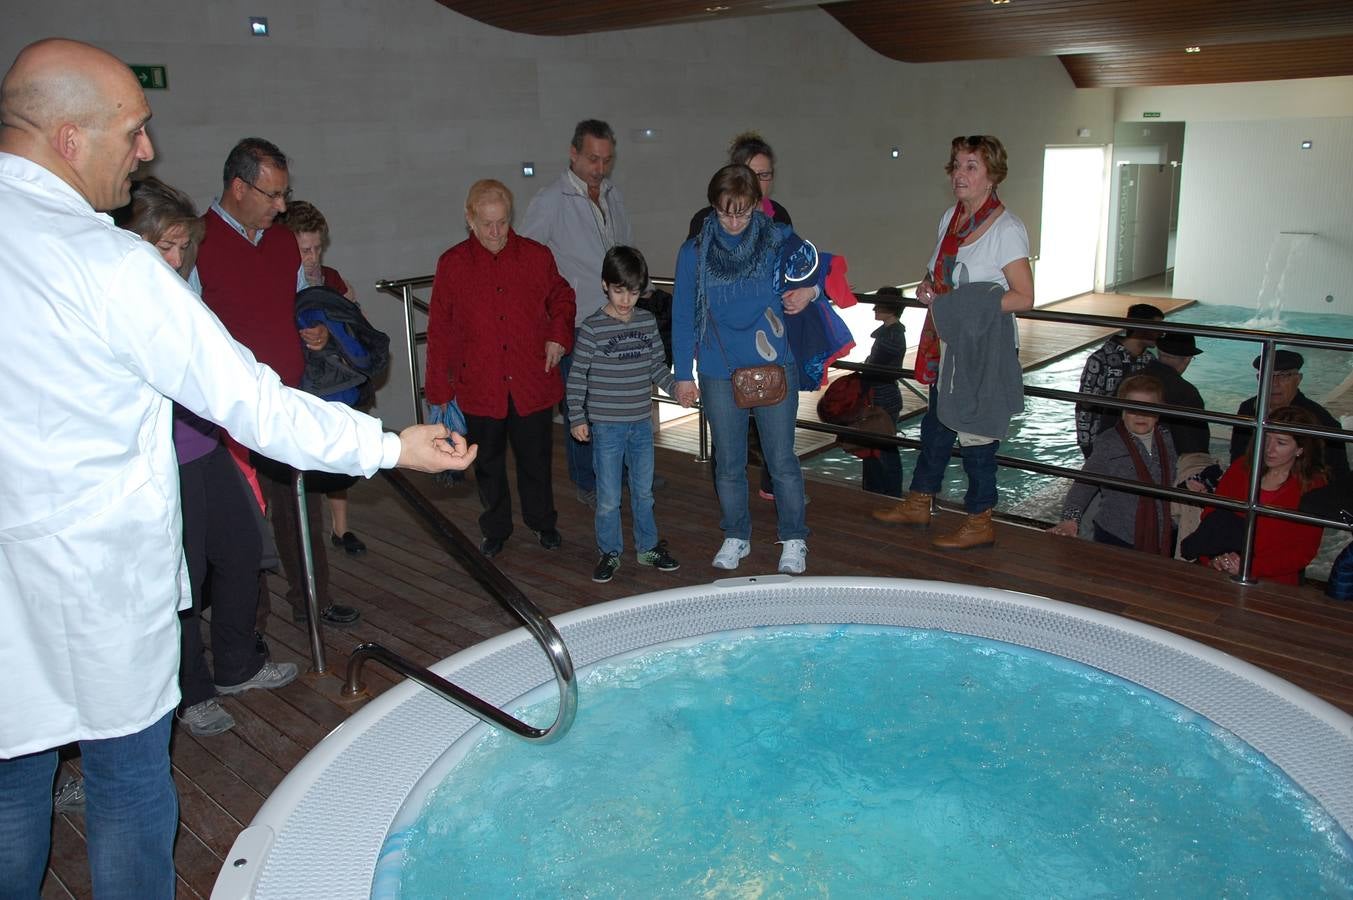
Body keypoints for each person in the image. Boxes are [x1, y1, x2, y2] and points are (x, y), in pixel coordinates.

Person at [0, 38, 474, 899]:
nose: (146, 151)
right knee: (129, 783)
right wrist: (387, 445)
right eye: (135, 130)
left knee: (10, 788)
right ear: (71, 137)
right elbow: (247, 399)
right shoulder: (108, 265)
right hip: (98, 587)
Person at [122, 176, 296, 738]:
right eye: (164, 246)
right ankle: (190, 691)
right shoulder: (116, 293)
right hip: (160, 460)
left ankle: (236, 665)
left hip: (203, 444)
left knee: (243, 550)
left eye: (181, 246)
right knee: (184, 577)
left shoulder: (182, 282)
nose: (175, 258)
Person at [193, 138, 362, 628]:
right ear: (238, 187)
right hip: (227, 412)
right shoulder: (198, 241)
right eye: (272, 195)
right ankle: (251, 623)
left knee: (299, 511)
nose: (282, 206)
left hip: (288, 397)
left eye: (285, 194)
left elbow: (298, 302)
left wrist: (315, 330)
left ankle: (313, 601)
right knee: (243, 523)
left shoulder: (284, 239)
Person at [872, 135, 1033, 549]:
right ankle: (920, 500)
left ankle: (980, 519)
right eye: (957, 165)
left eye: (971, 166)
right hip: (949, 341)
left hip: (981, 345)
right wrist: (929, 290)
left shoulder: (1007, 230)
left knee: (975, 428)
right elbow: (939, 275)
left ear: (992, 176)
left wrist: (962, 307)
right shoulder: (952, 218)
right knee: (938, 422)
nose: (960, 174)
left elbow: (1023, 296)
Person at [671, 164, 825, 575]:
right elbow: (683, 313)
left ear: (757, 206)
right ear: (713, 208)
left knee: (782, 460)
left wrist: (809, 291)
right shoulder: (695, 251)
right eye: (725, 212)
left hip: (775, 364)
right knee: (729, 462)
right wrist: (683, 374)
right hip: (719, 368)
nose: (734, 221)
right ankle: (736, 534)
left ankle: (794, 538)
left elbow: (819, 268)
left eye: (741, 211)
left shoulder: (777, 240)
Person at [425, 179, 575, 559]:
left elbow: (563, 296)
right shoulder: (453, 264)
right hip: (479, 384)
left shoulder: (537, 256)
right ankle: (496, 528)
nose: (496, 232)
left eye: (503, 222)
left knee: (536, 460)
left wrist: (558, 335)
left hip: (530, 381)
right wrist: (439, 394)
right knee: (487, 464)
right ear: (469, 220)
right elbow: (439, 331)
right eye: (487, 223)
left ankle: (543, 522)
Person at [521, 119, 633, 509]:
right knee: (580, 405)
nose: (599, 168)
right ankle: (586, 478)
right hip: (577, 322)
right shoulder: (550, 199)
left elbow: (623, 249)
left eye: (605, 160)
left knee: (618, 402)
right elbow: (528, 260)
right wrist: (550, 316)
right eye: (591, 159)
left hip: (615, 319)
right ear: (573, 153)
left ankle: (621, 472)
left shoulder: (613, 195)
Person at [566, 246, 684, 583]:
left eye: (633, 292)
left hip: (640, 425)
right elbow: (577, 377)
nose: (626, 300)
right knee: (608, 498)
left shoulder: (647, 322)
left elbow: (657, 368)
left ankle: (647, 547)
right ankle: (610, 551)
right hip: (606, 429)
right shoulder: (592, 329)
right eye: (619, 290)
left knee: (644, 491)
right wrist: (577, 416)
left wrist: (676, 388)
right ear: (605, 285)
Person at [687, 132, 791, 501]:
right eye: (753, 173)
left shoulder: (777, 222)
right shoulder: (707, 223)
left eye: (766, 175)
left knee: (775, 434)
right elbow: (696, 292)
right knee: (728, 440)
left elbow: (794, 272)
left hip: (765, 346)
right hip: (723, 349)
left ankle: (770, 486)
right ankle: (730, 506)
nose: (759, 183)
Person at [285, 199, 382, 558]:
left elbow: (357, 329)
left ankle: (342, 528)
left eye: (316, 248)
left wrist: (332, 333)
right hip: (301, 384)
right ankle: (305, 535)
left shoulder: (333, 279)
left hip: (335, 383)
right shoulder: (279, 282)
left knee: (339, 457)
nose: (311, 257)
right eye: (303, 250)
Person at [1188, 406, 1328, 585]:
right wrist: (1216, 559)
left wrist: (1249, 567)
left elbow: (1303, 552)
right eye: (1266, 438)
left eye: (1281, 443)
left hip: (1274, 582)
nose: (1269, 449)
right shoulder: (1241, 468)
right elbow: (1211, 514)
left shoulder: (1312, 485)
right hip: (1221, 569)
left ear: (1300, 449)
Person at [1048, 375, 1177, 554]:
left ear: (1159, 412)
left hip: (1160, 532)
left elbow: (1173, 477)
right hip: (1115, 535)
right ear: (1122, 410)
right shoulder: (1109, 443)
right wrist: (1070, 520)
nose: (1140, 415)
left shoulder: (1165, 438)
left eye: (1148, 409)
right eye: (1133, 409)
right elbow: (1085, 484)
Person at [1229, 350, 1349, 481]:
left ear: (1298, 379)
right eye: (1268, 375)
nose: (1274, 383)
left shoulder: (1319, 420)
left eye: (1284, 376)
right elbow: (1238, 454)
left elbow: (1336, 473)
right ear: (1259, 379)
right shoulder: (1248, 408)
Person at [1075, 302, 1164, 456]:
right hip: (1099, 438)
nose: (1161, 333)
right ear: (1139, 327)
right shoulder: (1101, 359)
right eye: (1157, 328)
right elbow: (1085, 404)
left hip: (1135, 436)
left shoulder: (1150, 360)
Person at [860, 293, 907, 497]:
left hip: (883, 397)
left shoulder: (892, 336)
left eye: (878, 306)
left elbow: (875, 365)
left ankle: (887, 491)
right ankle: (878, 489)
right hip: (882, 395)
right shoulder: (890, 333)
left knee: (883, 447)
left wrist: (865, 367)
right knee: (877, 445)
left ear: (889, 308)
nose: (874, 309)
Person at [1137, 332, 1210, 457]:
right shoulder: (1186, 392)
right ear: (1187, 359)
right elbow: (1195, 443)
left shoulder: (1131, 379)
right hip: (1166, 461)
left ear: (1159, 352)